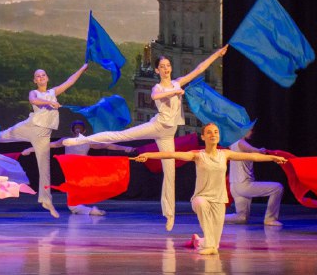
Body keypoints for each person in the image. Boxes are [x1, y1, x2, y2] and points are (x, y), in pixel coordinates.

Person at [64, 45, 228, 230]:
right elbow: (157, 96)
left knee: (170, 174)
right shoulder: (158, 87)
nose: (166, 69)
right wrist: (174, 92)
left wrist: (217, 54)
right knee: (121, 135)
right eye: (162, 66)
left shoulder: (178, 82)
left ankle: (169, 214)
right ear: (157, 70)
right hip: (156, 126)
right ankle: (81, 140)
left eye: (168, 65)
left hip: (168, 134)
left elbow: (199, 68)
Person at [134, 123, 287, 255]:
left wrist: (273, 158)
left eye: (215, 132)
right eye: (209, 132)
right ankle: (208, 246)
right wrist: (148, 155)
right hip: (201, 198)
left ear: (219, 136)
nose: (213, 134)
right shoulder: (197, 155)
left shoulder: (225, 154)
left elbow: (253, 157)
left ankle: (199, 241)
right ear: (203, 137)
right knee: (202, 208)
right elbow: (172, 154)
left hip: (219, 200)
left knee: (215, 243)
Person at [0, 63, 90, 218]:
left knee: (45, 169)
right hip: (29, 127)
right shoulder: (34, 92)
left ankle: (46, 201)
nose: (41, 77)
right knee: (1, 136)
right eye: (38, 76)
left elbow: (70, 81)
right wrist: (49, 102)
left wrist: (82, 68)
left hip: (43, 135)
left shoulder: (53, 92)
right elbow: (34, 101)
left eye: (43, 75)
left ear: (47, 78)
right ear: (35, 80)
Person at [21, 120, 136, 216]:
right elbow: (48, 145)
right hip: (70, 168)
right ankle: (84, 209)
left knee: (80, 191)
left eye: (80, 128)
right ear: (72, 130)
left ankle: (83, 208)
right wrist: (30, 149)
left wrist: (125, 148)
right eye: (76, 128)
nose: (78, 130)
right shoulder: (66, 140)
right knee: (73, 194)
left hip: (82, 168)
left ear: (84, 130)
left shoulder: (88, 141)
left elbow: (107, 145)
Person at [225, 129, 284, 226]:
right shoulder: (240, 142)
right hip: (243, 185)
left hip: (235, 186)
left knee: (241, 217)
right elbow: (253, 151)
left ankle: (214, 217)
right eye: (250, 130)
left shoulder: (233, 144)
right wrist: (261, 151)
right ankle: (270, 219)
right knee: (277, 188)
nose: (252, 132)